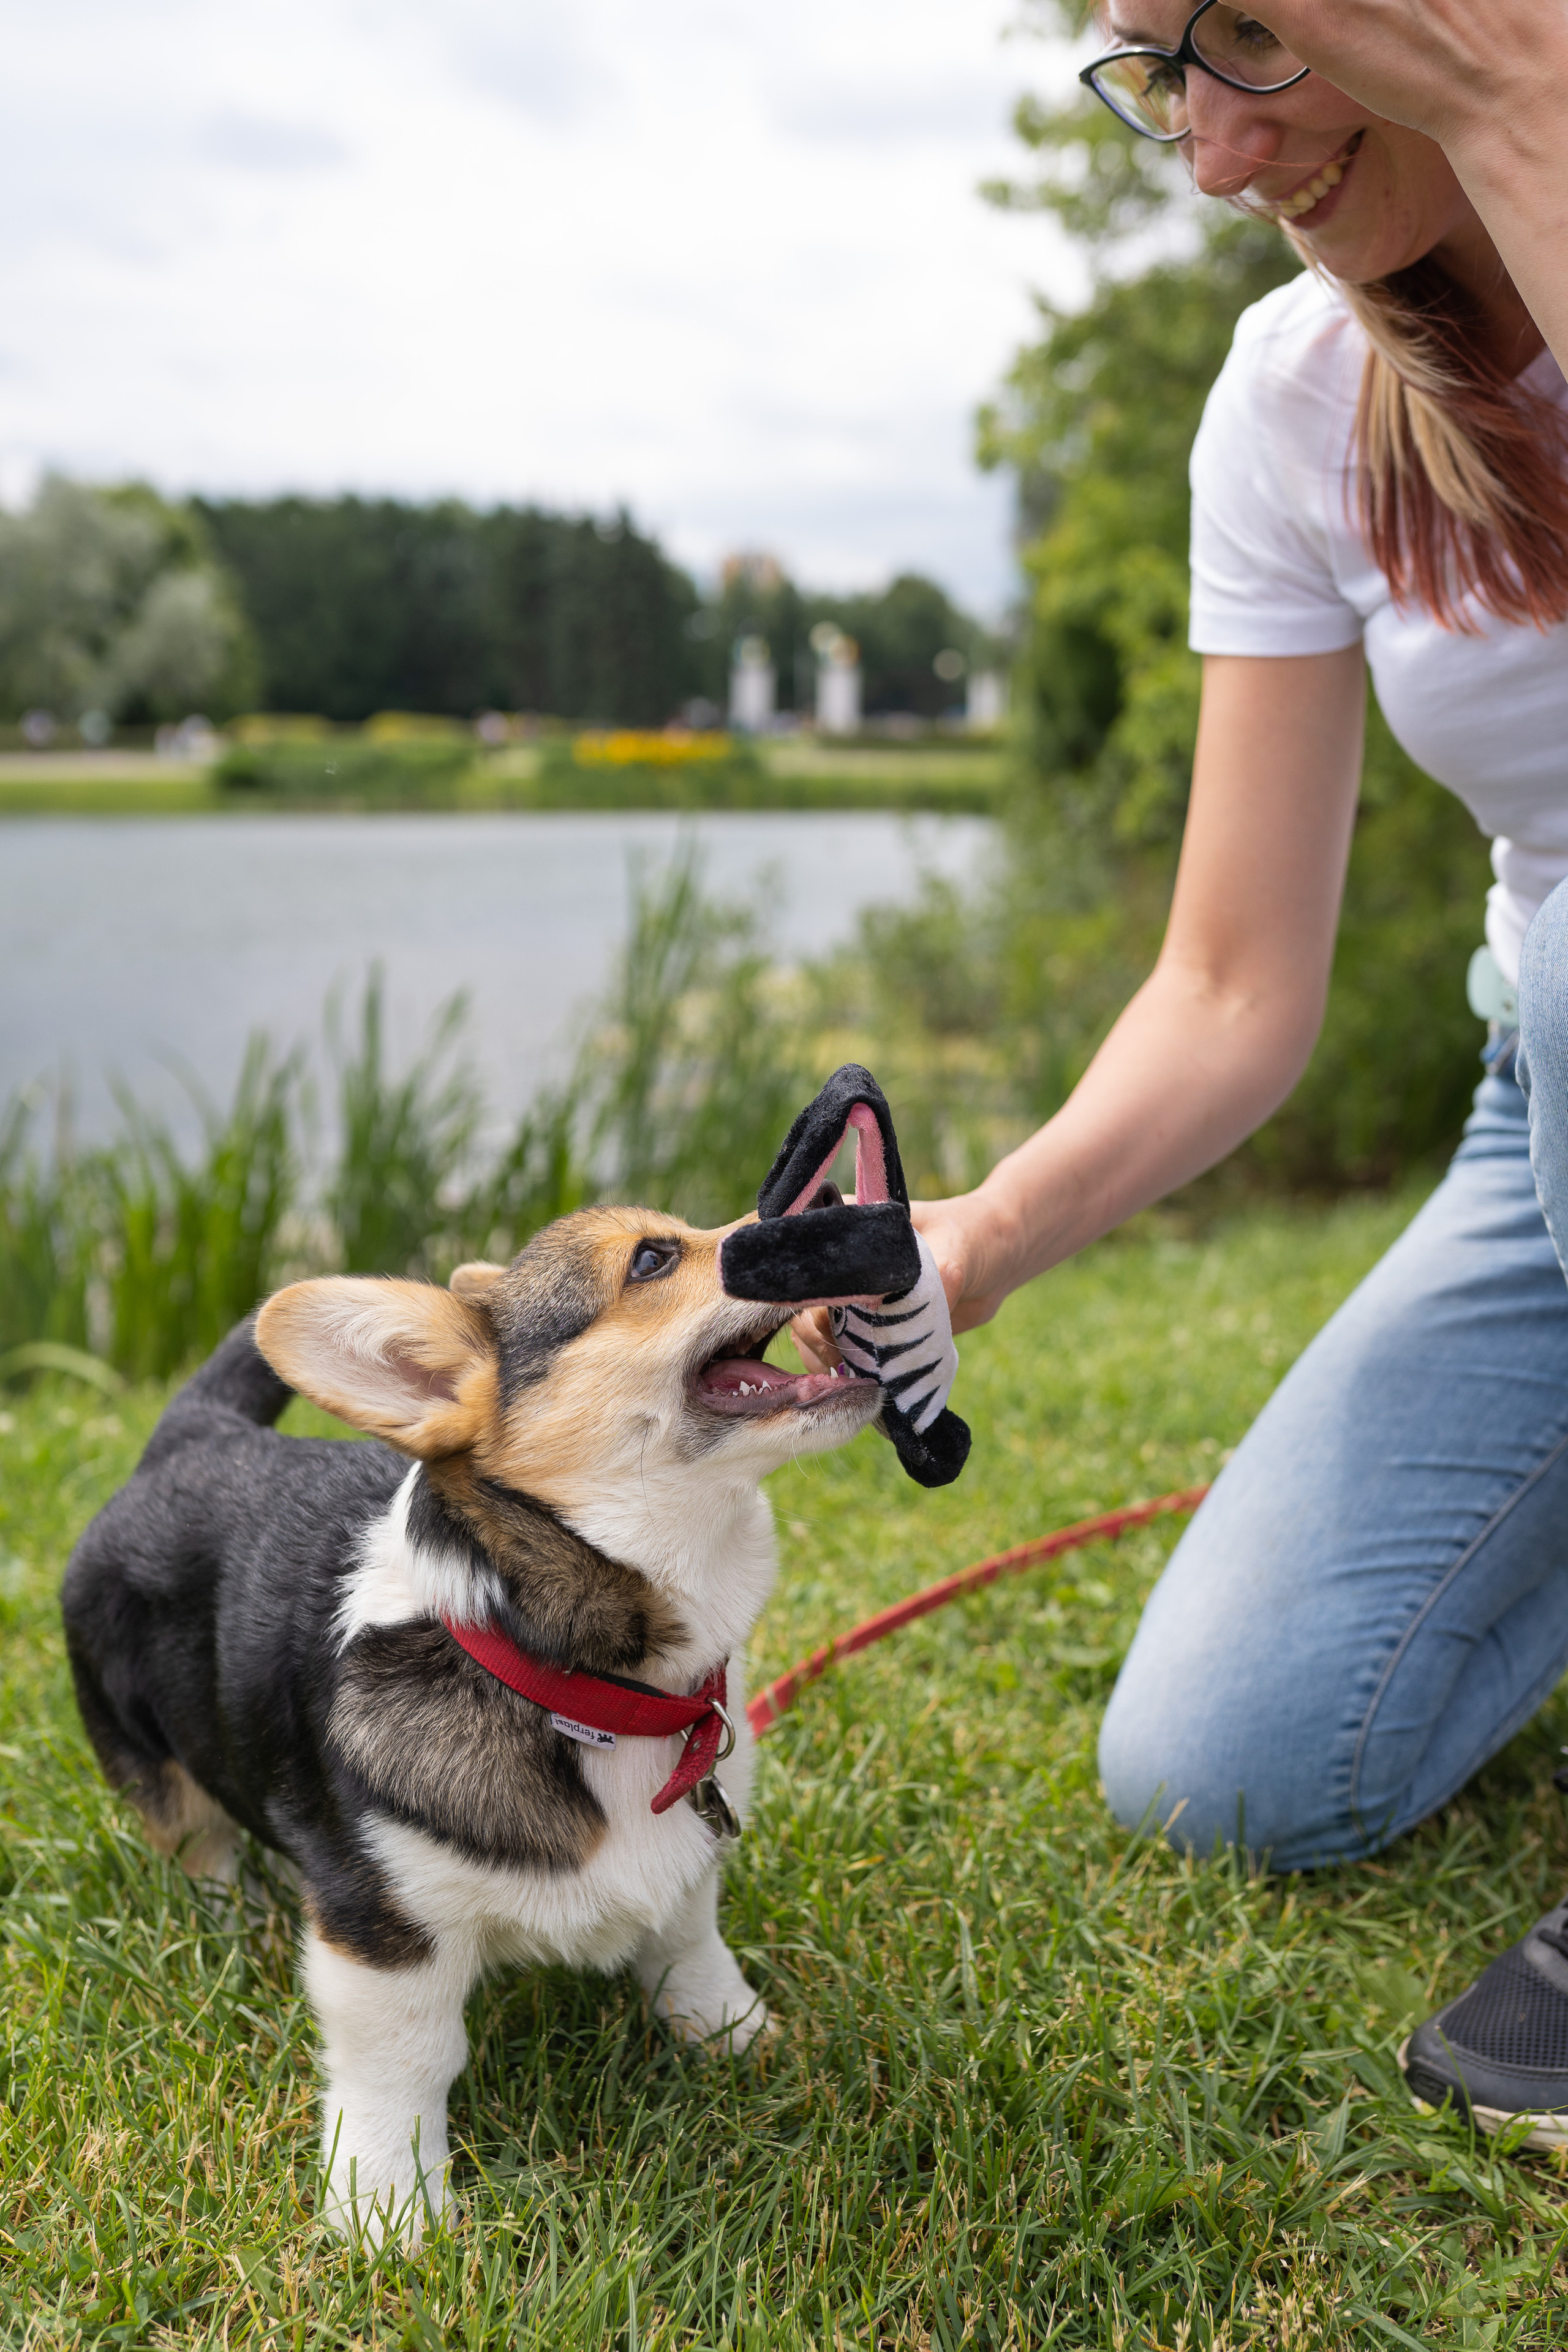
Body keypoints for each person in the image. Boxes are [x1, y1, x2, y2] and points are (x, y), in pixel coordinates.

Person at [798, 1, 1568, 2144]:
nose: (1216, 155)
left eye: (1255, 39)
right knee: (1230, 1759)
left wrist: (1528, 97)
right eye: (1158, 76)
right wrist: (989, 1240)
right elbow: (1236, 980)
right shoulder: (1302, 397)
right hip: (1557, 1114)